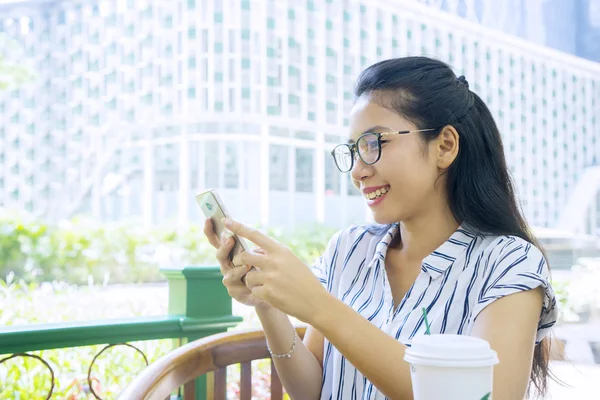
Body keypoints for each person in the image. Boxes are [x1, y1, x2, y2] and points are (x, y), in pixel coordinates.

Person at [203, 56, 557, 400]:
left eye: (374, 144)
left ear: (445, 146)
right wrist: (268, 305)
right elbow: (312, 390)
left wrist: (319, 306)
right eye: (353, 150)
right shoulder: (348, 249)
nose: (358, 171)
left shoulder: (509, 263)